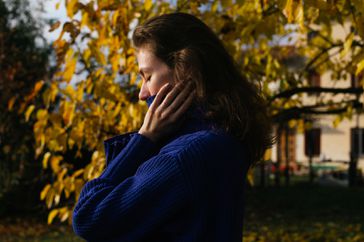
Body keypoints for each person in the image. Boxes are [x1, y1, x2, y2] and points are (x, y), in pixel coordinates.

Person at [72, 12, 273, 242]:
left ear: (185, 70)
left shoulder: (182, 157)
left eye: (147, 76)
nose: (142, 93)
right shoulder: (224, 138)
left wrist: (144, 138)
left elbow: (89, 218)